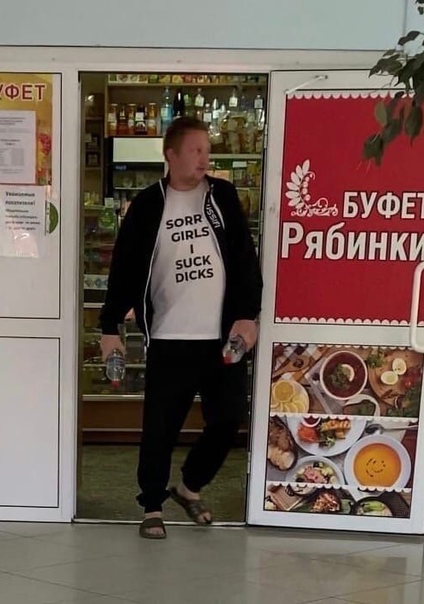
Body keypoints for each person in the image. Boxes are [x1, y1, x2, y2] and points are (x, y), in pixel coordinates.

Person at [99, 117, 263, 539]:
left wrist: (248, 315)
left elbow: (245, 258)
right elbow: (124, 268)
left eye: (207, 150)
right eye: (195, 150)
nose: (204, 158)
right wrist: (109, 326)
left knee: (227, 421)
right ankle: (152, 506)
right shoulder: (147, 204)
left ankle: (189, 488)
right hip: (169, 338)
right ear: (170, 155)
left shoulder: (222, 196)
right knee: (160, 428)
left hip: (220, 339)